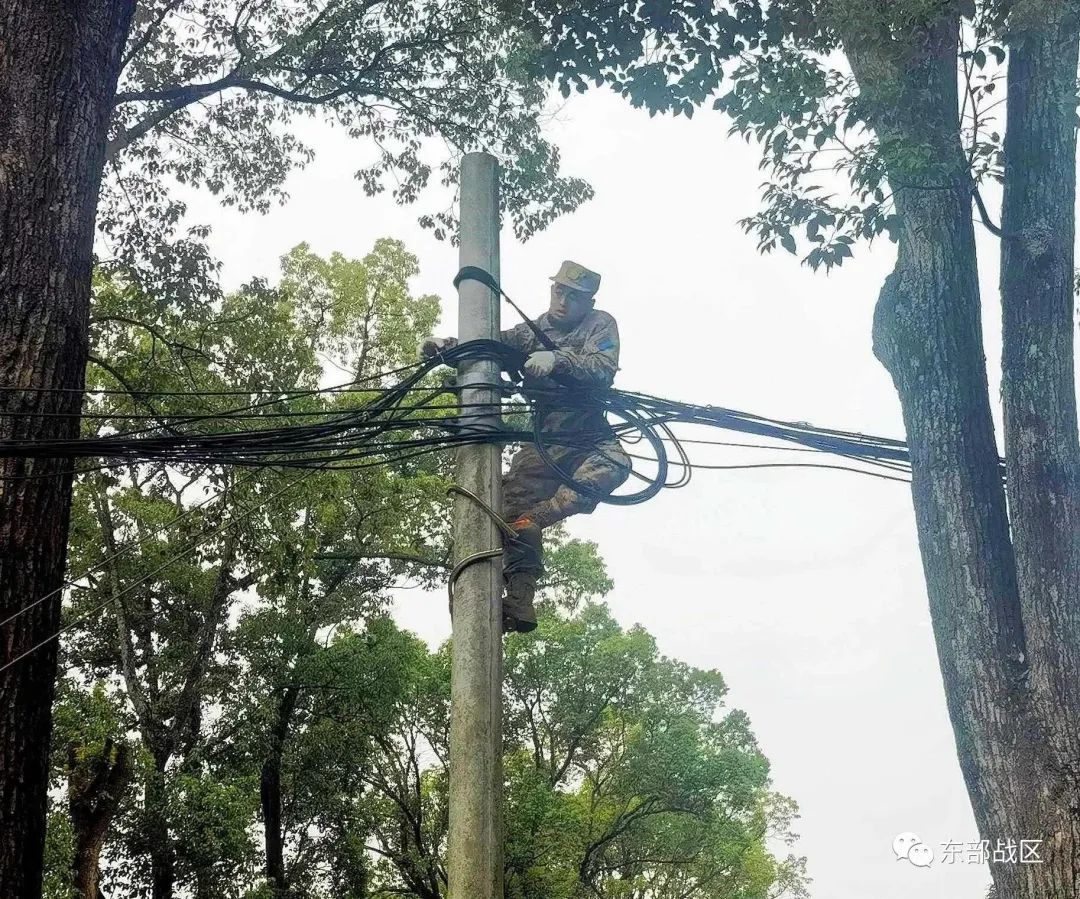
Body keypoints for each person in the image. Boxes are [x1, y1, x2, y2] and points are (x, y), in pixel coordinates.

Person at [420, 260, 630, 632]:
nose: (563, 301)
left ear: (589, 301)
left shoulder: (601, 324)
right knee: (504, 508)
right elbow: (491, 345)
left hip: (588, 436)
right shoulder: (533, 331)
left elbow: (602, 367)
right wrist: (446, 348)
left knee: (614, 465)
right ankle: (516, 600)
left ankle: (537, 519)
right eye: (559, 291)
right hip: (545, 441)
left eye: (573, 297)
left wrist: (557, 361)